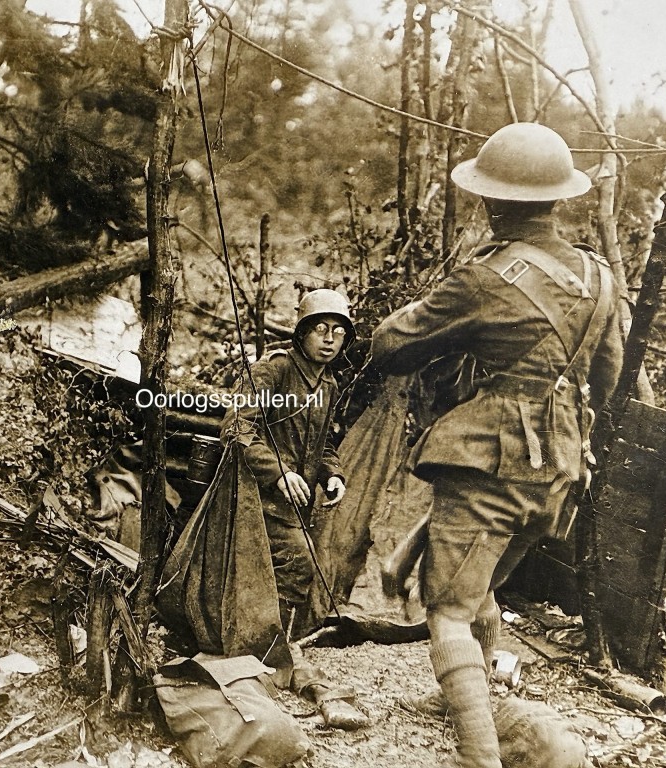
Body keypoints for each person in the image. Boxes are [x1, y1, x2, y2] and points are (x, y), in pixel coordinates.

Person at [371, 122, 623, 768]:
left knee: (448, 608)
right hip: (561, 469)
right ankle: (472, 693)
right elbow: (611, 379)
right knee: (480, 584)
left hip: (493, 460)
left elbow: (390, 348)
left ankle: (477, 756)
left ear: (491, 201)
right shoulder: (598, 278)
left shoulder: (483, 279)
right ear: (557, 200)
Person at [221, 288, 369, 730]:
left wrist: (333, 473)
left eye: (338, 332)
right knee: (298, 565)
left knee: (296, 571)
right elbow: (238, 425)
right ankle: (269, 652)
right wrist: (279, 472)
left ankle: (270, 645)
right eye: (321, 329)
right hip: (255, 496)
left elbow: (323, 442)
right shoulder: (275, 371)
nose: (329, 339)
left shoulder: (329, 384)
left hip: (297, 503)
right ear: (302, 331)